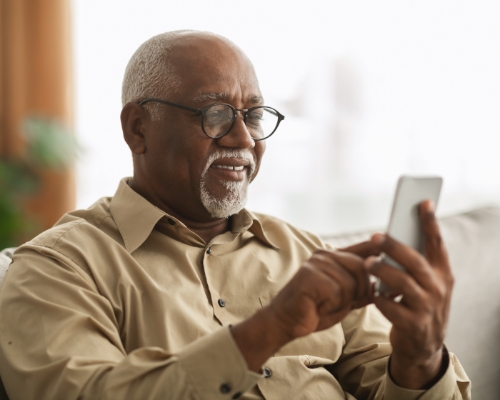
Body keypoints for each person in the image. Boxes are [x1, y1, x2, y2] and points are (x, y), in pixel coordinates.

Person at [0, 30, 470, 400]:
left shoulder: (307, 253)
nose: (243, 139)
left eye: (255, 116)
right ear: (138, 129)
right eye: (216, 114)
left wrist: (421, 357)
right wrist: (270, 329)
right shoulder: (58, 267)